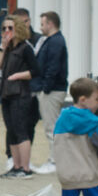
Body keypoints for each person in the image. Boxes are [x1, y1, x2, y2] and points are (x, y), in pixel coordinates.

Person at [0, 16, 39, 179]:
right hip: (6, 93)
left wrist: (17, 75)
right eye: (4, 28)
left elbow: (35, 71)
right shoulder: (7, 48)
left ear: (18, 29)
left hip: (20, 93)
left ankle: (25, 168)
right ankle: (16, 165)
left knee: (21, 129)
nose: (6, 31)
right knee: (11, 130)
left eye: (10, 28)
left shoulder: (25, 48)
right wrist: (2, 47)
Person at [30, 11, 69, 172]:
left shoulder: (55, 42)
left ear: (51, 24)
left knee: (51, 126)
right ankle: (55, 159)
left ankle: (55, 161)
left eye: (43, 24)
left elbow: (53, 66)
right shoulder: (53, 41)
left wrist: (46, 87)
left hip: (52, 90)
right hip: (51, 88)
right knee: (52, 126)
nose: (41, 27)